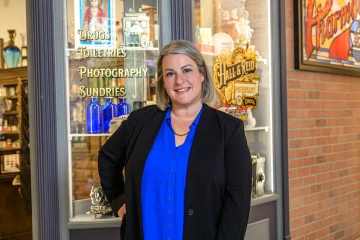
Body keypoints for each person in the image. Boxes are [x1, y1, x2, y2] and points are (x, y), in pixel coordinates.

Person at [98, 40, 252, 240]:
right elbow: (107, 158)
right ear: (163, 81)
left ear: (202, 74)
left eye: (186, 70)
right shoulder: (139, 122)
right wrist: (119, 200)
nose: (179, 80)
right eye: (170, 73)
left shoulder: (229, 130)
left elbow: (237, 202)